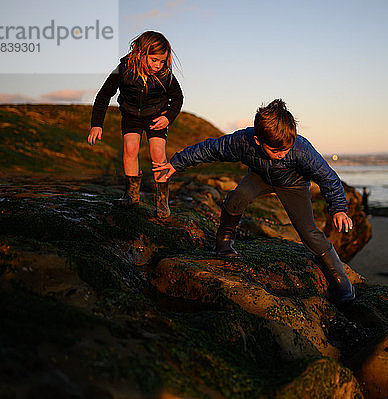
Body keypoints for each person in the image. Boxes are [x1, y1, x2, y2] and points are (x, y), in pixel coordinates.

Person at [152, 99, 355, 304]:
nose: (281, 155)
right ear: (258, 141)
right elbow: (210, 149)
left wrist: (338, 208)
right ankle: (224, 242)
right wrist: (176, 164)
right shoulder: (243, 141)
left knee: (309, 232)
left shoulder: (302, 150)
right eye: (275, 151)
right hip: (259, 177)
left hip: (293, 184)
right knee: (237, 198)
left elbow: (327, 177)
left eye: (286, 149)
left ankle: (340, 279)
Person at [87, 31, 183, 219]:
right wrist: (96, 124)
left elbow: (178, 98)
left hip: (157, 116)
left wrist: (168, 118)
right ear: (140, 53)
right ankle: (131, 195)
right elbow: (104, 95)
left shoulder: (165, 75)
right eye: (154, 60)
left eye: (162, 61)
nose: (158, 65)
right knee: (130, 149)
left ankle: (162, 202)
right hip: (131, 114)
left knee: (157, 153)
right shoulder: (123, 69)